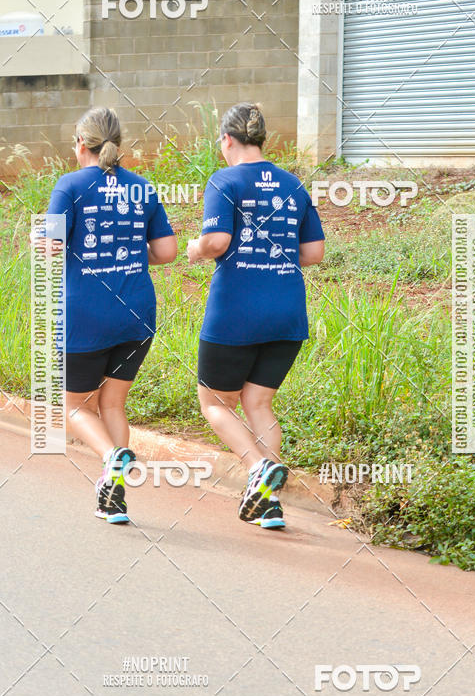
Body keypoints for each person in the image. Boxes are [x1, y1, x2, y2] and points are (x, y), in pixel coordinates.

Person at [187, 103, 325, 529]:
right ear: (262, 139)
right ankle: (268, 503)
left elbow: (216, 242)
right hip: (287, 313)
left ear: (227, 140)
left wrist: (195, 249)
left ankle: (256, 468)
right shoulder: (292, 184)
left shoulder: (224, 180)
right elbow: (314, 253)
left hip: (236, 313)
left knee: (213, 401)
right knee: (259, 402)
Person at [45, 107, 177, 523]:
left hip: (84, 317)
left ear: (80, 144)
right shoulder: (142, 188)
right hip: (136, 316)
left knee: (73, 408)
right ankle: (113, 496)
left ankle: (111, 456)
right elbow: (167, 252)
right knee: (113, 406)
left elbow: (49, 245)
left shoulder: (70, 186)